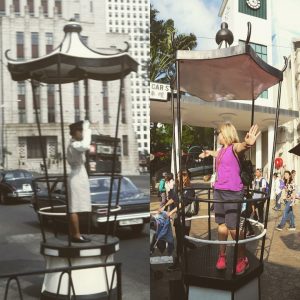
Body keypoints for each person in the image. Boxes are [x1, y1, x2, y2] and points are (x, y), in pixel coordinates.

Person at [199, 123, 260, 275]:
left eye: (218, 133)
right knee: (221, 224)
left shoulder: (234, 148)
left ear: (225, 134)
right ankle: (222, 256)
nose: (217, 135)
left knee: (233, 227)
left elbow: (241, 147)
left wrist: (247, 143)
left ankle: (242, 259)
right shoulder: (221, 150)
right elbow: (217, 154)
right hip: (219, 191)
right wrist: (208, 152)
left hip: (233, 193)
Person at [160, 170, 196, 271]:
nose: (181, 178)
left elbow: (183, 203)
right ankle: (191, 247)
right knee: (181, 239)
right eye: (179, 176)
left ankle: (178, 262)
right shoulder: (178, 188)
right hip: (178, 216)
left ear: (188, 177)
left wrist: (170, 213)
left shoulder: (190, 189)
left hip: (185, 217)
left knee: (180, 241)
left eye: (183, 175)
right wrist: (164, 207)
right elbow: (173, 199)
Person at [67, 120, 92, 243]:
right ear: (76, 132)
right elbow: (86, 145)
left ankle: (75, 233)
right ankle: (76, 234)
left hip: (79, 174)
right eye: (81, 132)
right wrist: (87, 129)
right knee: (74, 207)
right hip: (77, 176)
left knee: (77, 206)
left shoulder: (74, 144)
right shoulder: (74, 145)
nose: (82, 134)